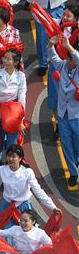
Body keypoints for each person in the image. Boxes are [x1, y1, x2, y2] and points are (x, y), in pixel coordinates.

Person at [0, 145, 57, 216]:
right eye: (8, 156)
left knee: (25, 231)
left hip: (23, 207)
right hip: (6, 205)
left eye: (14, 156)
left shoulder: (27, 172)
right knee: (5, 231)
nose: (10, 159)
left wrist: (53, 207)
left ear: (20, 158)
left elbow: (38, 191)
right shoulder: (2, 170)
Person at [50, 34, 79, 187]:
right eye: (67, 58)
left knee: (77, 143)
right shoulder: (62, 66)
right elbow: (54, 58)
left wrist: (69, 47)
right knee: (66, 144)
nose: (68, 61)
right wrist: (50, 45)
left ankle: (76, 160)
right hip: (63, 114)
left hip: (77, 114)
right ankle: (73, 172)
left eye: (71, 59)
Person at [0, 49, 27, 163]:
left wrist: (21, 120)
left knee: (12, 143)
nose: (5, 60)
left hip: (13, 113)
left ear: (15, 62)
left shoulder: (21, 76)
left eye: (8, 59)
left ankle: (9, 163)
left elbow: (22, 98)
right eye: (4, 58)